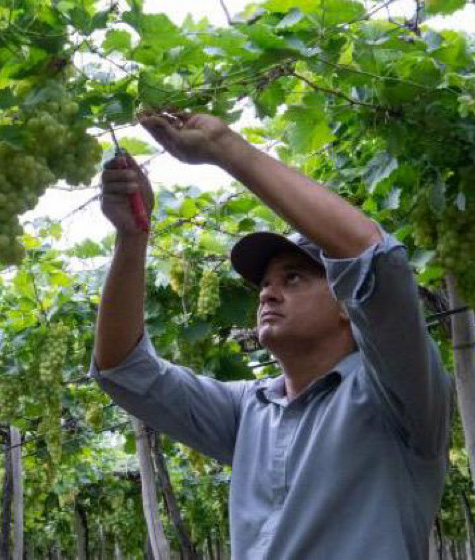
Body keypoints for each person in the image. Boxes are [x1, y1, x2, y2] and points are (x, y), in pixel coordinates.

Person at [91, 112, 453, 559]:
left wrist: (223, 147)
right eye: (264, 283)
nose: (269, 292)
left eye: (294, 278)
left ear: (346, 304)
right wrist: (132, 236)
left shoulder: (398, 394)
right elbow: (122, 369)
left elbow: (374, 259)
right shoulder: (248, 410)